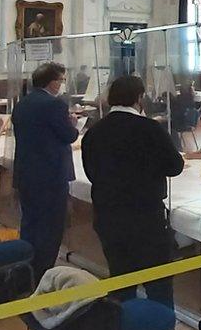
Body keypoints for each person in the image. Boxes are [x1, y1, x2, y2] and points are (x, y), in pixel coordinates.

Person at [81, 76, 185, 307]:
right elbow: (174, 166)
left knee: (120, 281)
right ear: (139, 98)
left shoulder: (95, 131)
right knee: (158, 285)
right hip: (145, 217)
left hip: (108, 216)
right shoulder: (149, 128)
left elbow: (91, 172)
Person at [12, 63, 79, 278]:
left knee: (30, 222)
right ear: (53, 82)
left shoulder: (22, 104)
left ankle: (26, 268)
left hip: (26, 171)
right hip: (50, 174)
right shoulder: (54, 105)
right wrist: (73, 124)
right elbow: (68, 135)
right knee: (50, 227)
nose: (61, 85)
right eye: (61, 80)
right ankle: (43, 273)